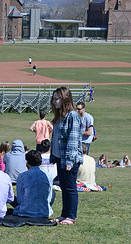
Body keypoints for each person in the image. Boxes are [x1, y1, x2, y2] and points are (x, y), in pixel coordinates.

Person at [50, 87, 83, 225]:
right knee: (64, 187)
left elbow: (73, 140)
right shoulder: (59, 117)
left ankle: (71, 216)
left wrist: (70, 160)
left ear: (65, 99)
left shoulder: (72, 116)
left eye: (56, 99)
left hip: (69, 159)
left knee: (70, 188)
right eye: (53, 98)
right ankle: (64, 215)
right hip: (59, 158)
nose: (54, 101)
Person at [13, 150, 54, 218]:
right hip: (44, 212)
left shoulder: (22, 176)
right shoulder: (48, 175)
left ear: (27, 162)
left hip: (26, 211)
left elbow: (20, 199)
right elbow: (49, 197)